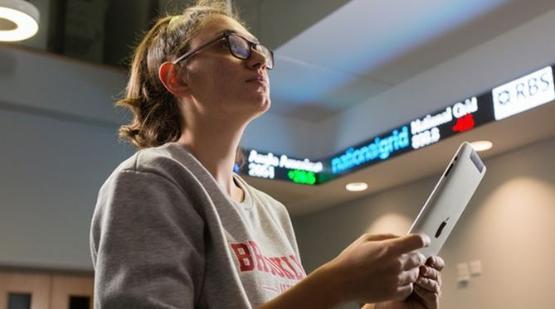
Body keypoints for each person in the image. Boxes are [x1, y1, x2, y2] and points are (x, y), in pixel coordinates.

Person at [90, 1, 444, 308]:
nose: (260, 59)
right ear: (177, 77)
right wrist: (336, 283)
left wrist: (385, 306)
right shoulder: (149, 181)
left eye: (259, 49)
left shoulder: (272, 212)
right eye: (234, 46)